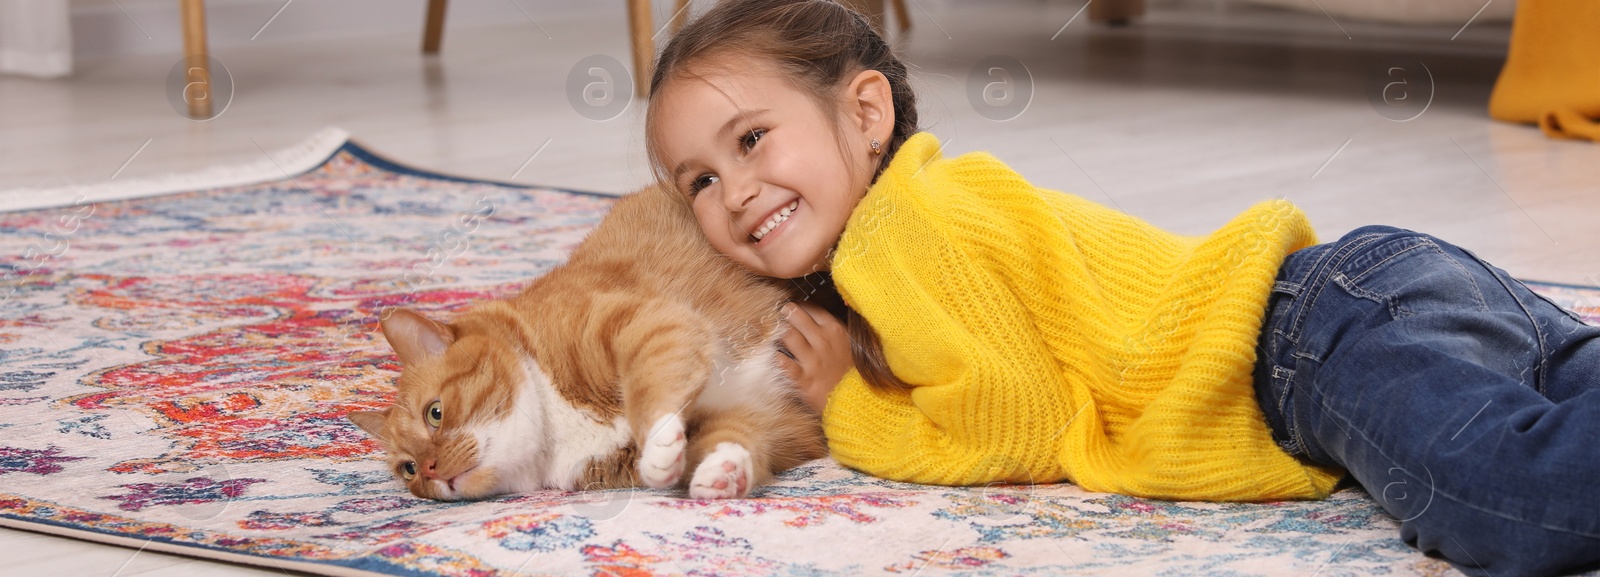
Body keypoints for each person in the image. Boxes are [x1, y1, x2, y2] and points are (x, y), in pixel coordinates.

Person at [642, 1, 1600, 575]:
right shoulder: (914, 216)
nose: (737, 192)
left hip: (1308, 339)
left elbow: (1015, 422)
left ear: (864, 112)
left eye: (752, 138)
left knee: (1503, 498)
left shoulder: (903, 230)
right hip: (1367, 290)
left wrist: (852, 408)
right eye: (700, 182)